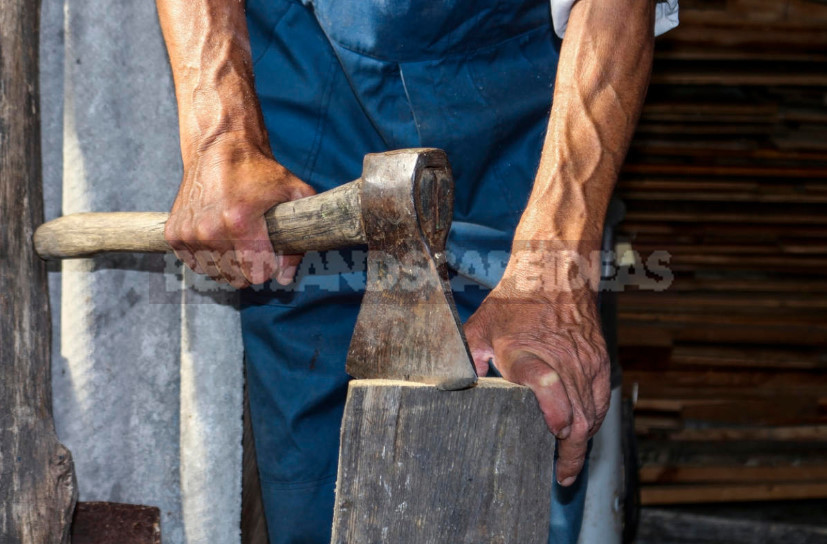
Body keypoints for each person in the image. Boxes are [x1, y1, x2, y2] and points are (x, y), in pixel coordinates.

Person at [155, 0, 677, 541]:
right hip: (296, 58)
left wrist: (551, 272)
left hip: (502, 85)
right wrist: (219, 137)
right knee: (314, 467)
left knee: (518, 408)